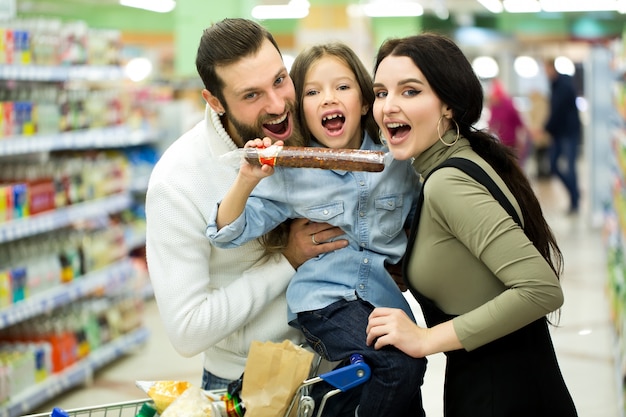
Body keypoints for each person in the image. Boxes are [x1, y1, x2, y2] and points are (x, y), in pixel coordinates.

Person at [206, 42, 426, 417]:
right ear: (301, 112)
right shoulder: (293, 174)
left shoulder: (399, 161)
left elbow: (419, 220)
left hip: (384, 298)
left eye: (342, 87)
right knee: (396, 366)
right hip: (325, 301)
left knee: (404, 393)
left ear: (364, 100)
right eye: (312, 92)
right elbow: (228, 233)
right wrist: (247, 179)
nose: (328, 99)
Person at [365, 33, 578, 417]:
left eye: (410, 92)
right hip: (510, 384)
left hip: (502, 394)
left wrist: (425, 339)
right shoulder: (459, 160)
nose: (388, 106)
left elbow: (541, 289)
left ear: (448, 105)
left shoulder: (448, 181)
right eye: (381, 93)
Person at [145, 18, 349, 393]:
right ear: (215, 101)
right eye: (251, 95)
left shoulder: (311, 123)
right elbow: (187, 331)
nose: (277, 106)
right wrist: (287, 260)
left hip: (340, 367)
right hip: (246, 382)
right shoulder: (177, 181)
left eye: (279, 80)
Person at [543, 58, 582, 214]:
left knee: (570, 168)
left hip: (569, 133)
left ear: (552, 68)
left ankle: (575, 200)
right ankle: (575, 194)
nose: (545, 72)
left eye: (546, 68)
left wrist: (545, 128)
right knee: (553, 165)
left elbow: (557, 111)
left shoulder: (564, 85)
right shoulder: (554, 85)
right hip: (558, 134)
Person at [487, 78, 529, 163]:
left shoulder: (509, 105)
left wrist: (521, 140)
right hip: (502, 142)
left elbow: (520, 124)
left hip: (513, 141)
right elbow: (492, 124)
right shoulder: (494, 107)